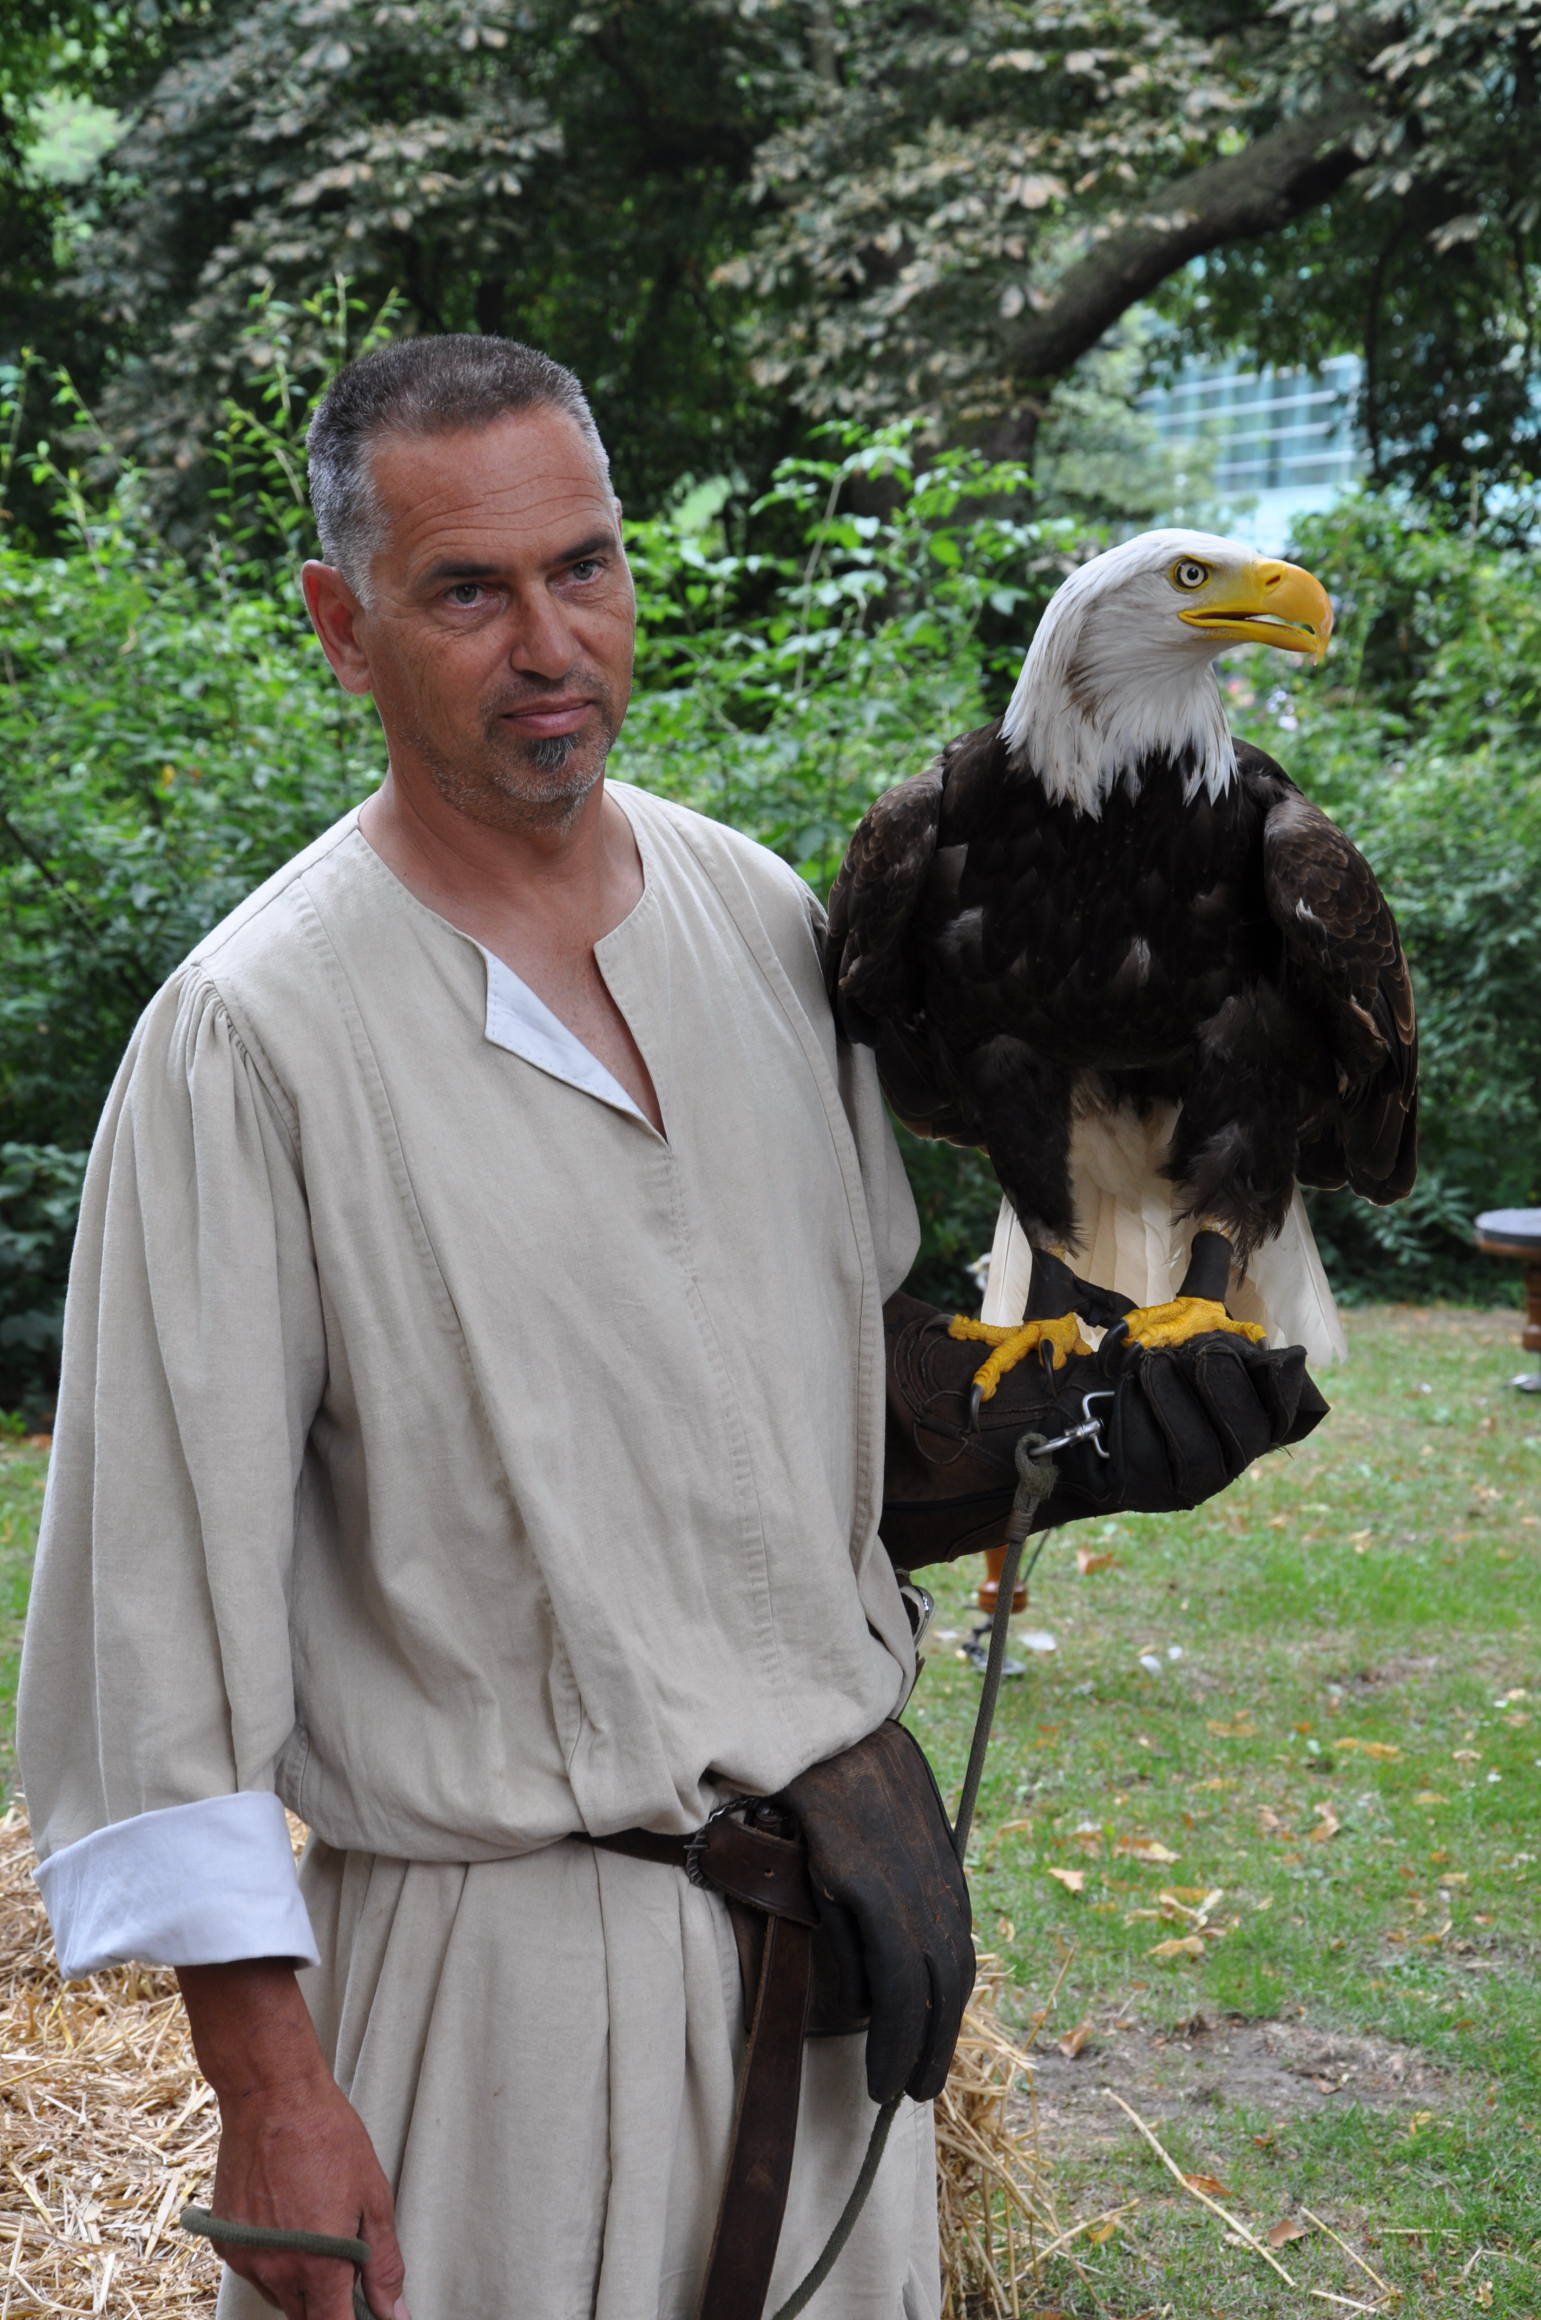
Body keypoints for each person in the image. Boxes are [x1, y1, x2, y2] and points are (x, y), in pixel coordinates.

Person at [17, 336, 1323, 2320]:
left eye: (585, 567)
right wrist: (269, 2088)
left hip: (843, 1940)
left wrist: (1054, 1434)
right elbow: (153, 1619)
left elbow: (816, 1385)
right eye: (468, 591)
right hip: (490, 1999)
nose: (550, 644)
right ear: (342, 627)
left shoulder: (759, 917)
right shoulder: (251, 1038)